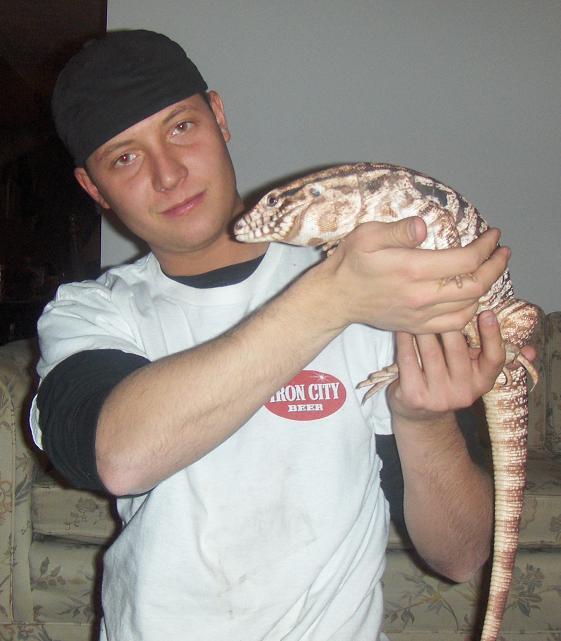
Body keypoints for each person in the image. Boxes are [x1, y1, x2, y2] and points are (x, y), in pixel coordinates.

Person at [29, 29, 531, 641]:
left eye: (181, 127)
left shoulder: (377, 293)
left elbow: (461, 556)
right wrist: (332, 299)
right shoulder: (90, 313)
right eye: (124, 158)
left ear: (219, 117)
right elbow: (118, 456)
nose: (168, 174)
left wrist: (424, 420)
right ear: (93, 189)